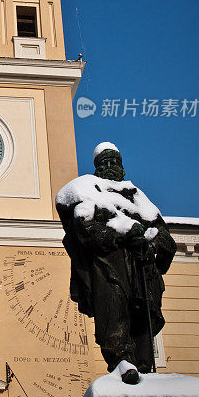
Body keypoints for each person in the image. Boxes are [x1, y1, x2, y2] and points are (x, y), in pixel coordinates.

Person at [56, 142, 176, 380]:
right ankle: (121, 362)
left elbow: (164, 236)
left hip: (142, 267)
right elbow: (85, 228)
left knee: (144, 317)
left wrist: (151, 244)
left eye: (114, 162)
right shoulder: (88, 189)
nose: (110, 167)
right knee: (113, 313)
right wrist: (123, 234)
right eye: (104, 163)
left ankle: (143, 365)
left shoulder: (138, 197)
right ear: (96, 167)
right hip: (109, 266)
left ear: (122, 167)